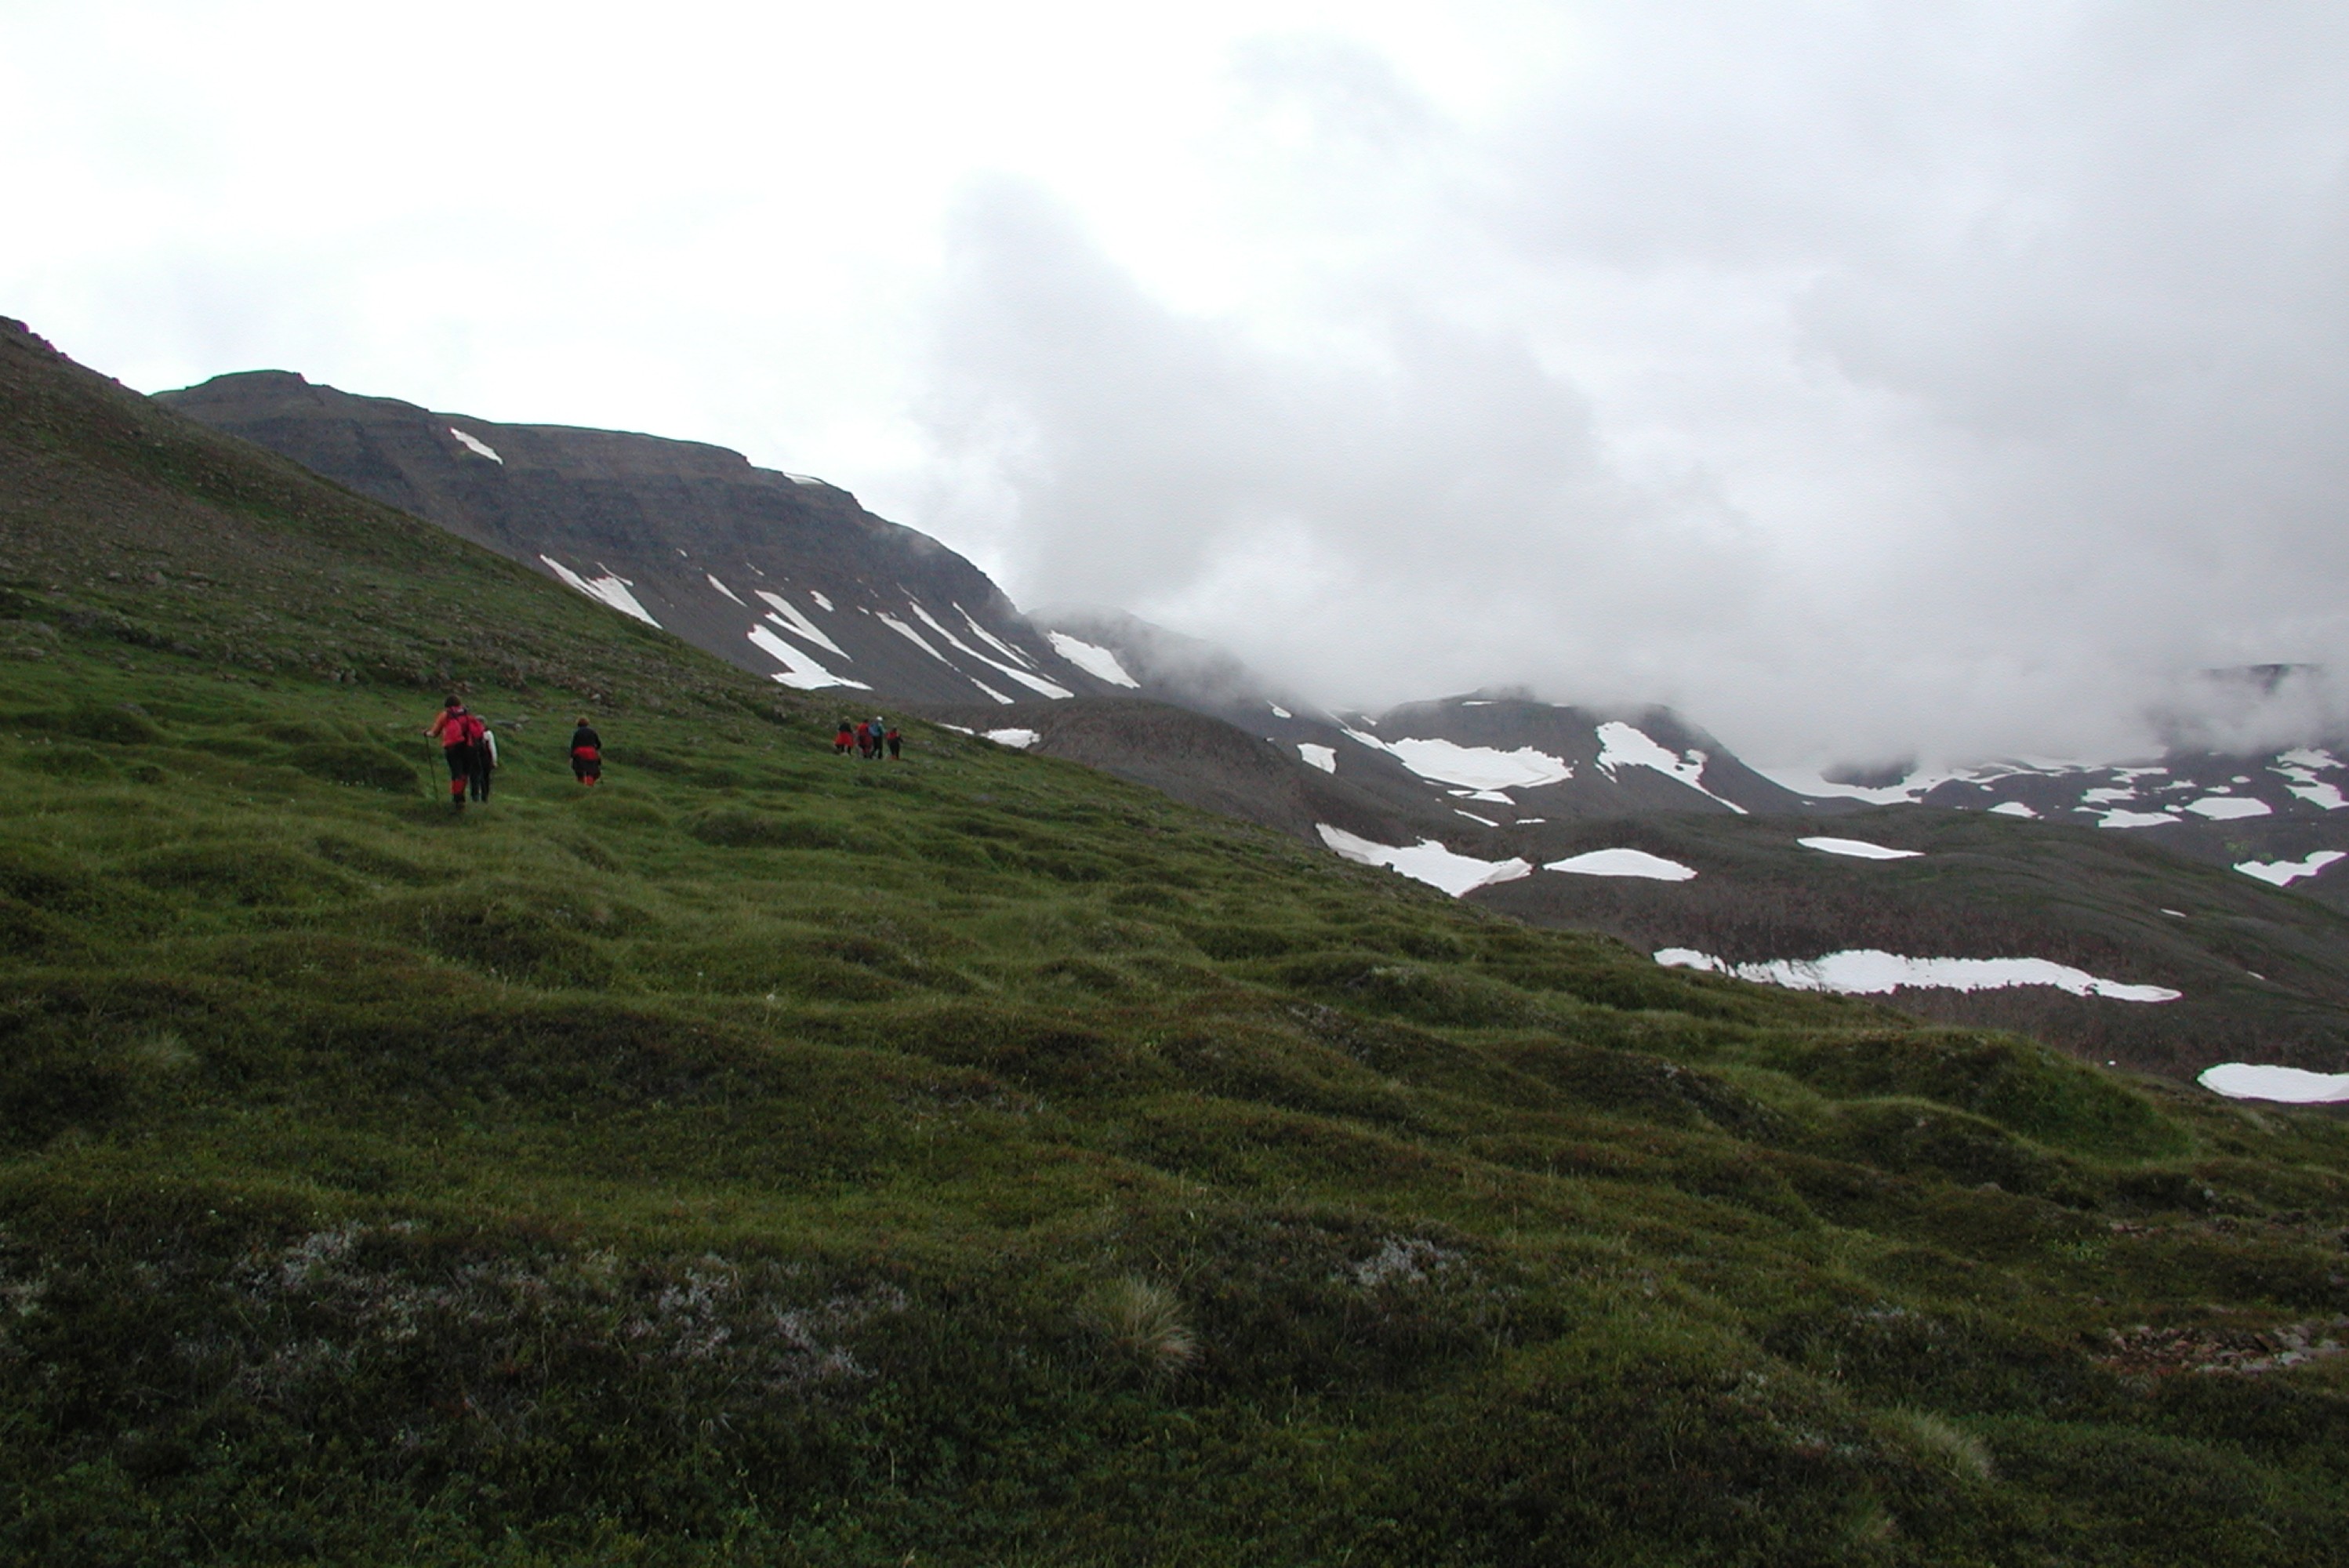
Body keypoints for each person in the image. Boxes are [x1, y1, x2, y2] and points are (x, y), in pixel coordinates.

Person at [425, 696, 481, 811]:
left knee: (456, 773)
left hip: (453, 747)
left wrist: (427, 734)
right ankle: (462, 797)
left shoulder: (446, 715)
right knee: (464, 773)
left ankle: (457, 798)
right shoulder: (467, 714)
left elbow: (435, 733)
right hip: (468, 747)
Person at [569, 715, 602, 786]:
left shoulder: (577, 732)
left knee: (580, 770)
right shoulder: (592, 732)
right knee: (591, 770)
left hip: (580, 753)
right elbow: (599, 744)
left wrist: (571, 757)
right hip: (591, 753)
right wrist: (595, 749)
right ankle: (590, 784)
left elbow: (574, 745)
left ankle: (581, 783)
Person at [472, 720, 498, 803]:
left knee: (475, 777)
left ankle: (475, 796)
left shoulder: (472, 732)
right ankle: (485, 797)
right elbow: (492, 748)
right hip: (486, 759)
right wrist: (494, 761)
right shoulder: (488, 733)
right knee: (486, 777)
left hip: (474, 758)